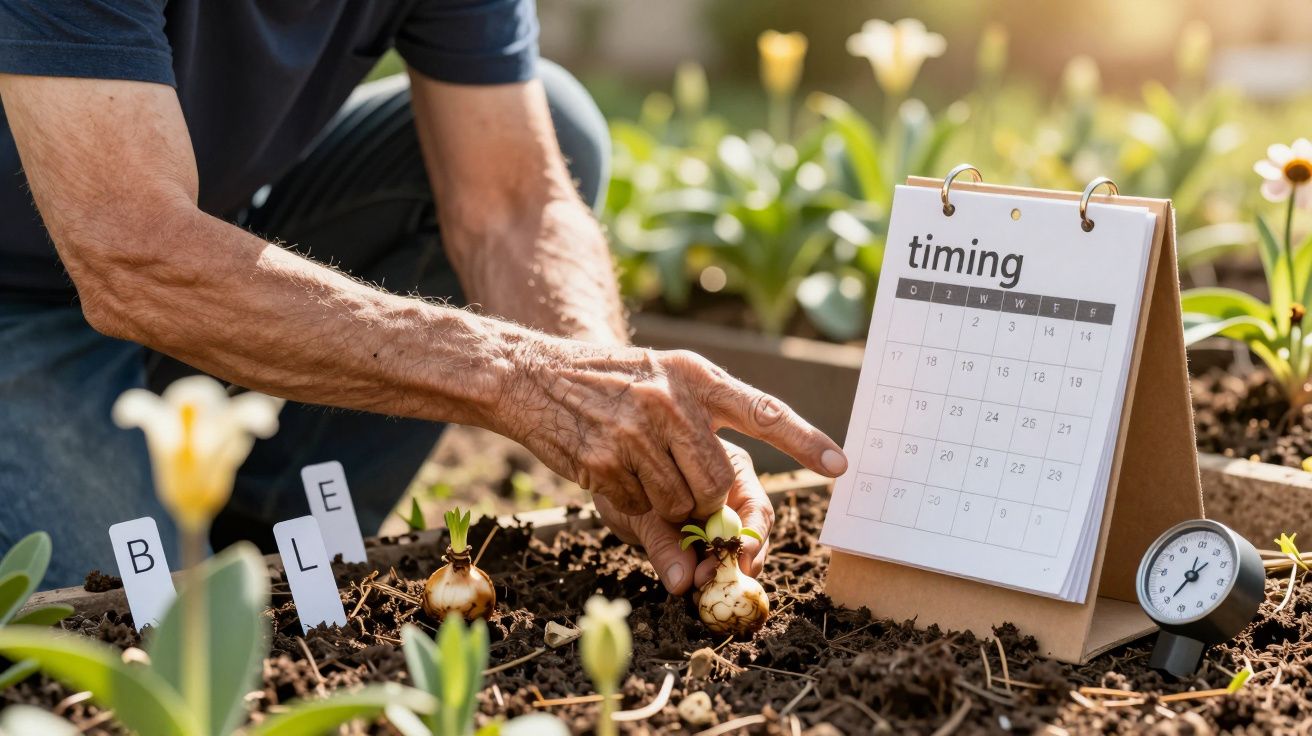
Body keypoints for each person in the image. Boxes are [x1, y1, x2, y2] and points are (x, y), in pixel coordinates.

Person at [0, 0, 848, 590]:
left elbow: (512, 203)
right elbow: (132, 249)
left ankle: (264, 526)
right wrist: (521, 377)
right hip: (26, 293)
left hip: (206, 232)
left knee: (557, 119)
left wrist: (613, 391)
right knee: (124, 630)